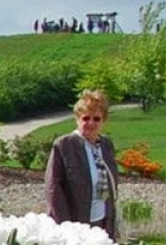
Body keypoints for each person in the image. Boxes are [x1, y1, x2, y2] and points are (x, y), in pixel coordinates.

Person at [46, 90, 120, 237]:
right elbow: (53, 187)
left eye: (96, 119)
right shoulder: (64, 145)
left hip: (102, 221)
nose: (91, 123)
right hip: (75, 223)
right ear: (77, 119)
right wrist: (65, 226)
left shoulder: (106, 145)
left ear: (103, 121)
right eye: (86, 118)